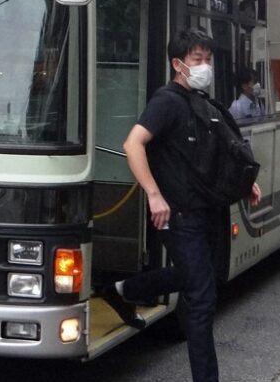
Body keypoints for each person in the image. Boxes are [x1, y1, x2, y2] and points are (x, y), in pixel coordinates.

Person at [103, 28, 262, 382]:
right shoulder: (167, 101)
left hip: (209, 210)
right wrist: (154, 194)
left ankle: (123, 291)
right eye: (197, 60)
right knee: (202, 300)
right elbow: (133, 145)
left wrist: (246, 183)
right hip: (179, 214)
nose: (205, 66)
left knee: (198, 277)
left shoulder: (204, 102)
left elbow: (216, 155)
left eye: (208, 59)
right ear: (178, 64)